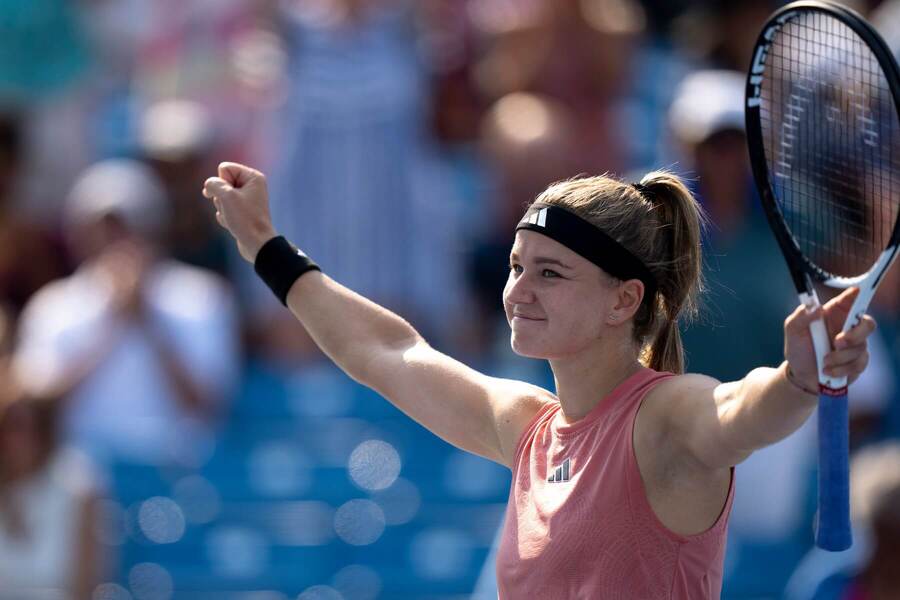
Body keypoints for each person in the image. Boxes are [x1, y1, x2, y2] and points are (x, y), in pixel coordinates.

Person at [202, 162, 876, 598]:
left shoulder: (667, 417)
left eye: (551, 272)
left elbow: (739, 413)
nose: (519, 290)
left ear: (623, 300)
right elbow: (385, 351)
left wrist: (796, 380)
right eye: (517, 266)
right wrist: (265, 245)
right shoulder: (527, 425)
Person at [15, 159, 240, 466]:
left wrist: (148, 320)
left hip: (180, 475)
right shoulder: (52, 306)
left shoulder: (201, 297)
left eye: (127, 226)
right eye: (103, 229)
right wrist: (112, 324)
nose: (115, 240)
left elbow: (208, 405)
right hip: (81, 477)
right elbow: (39, 405)